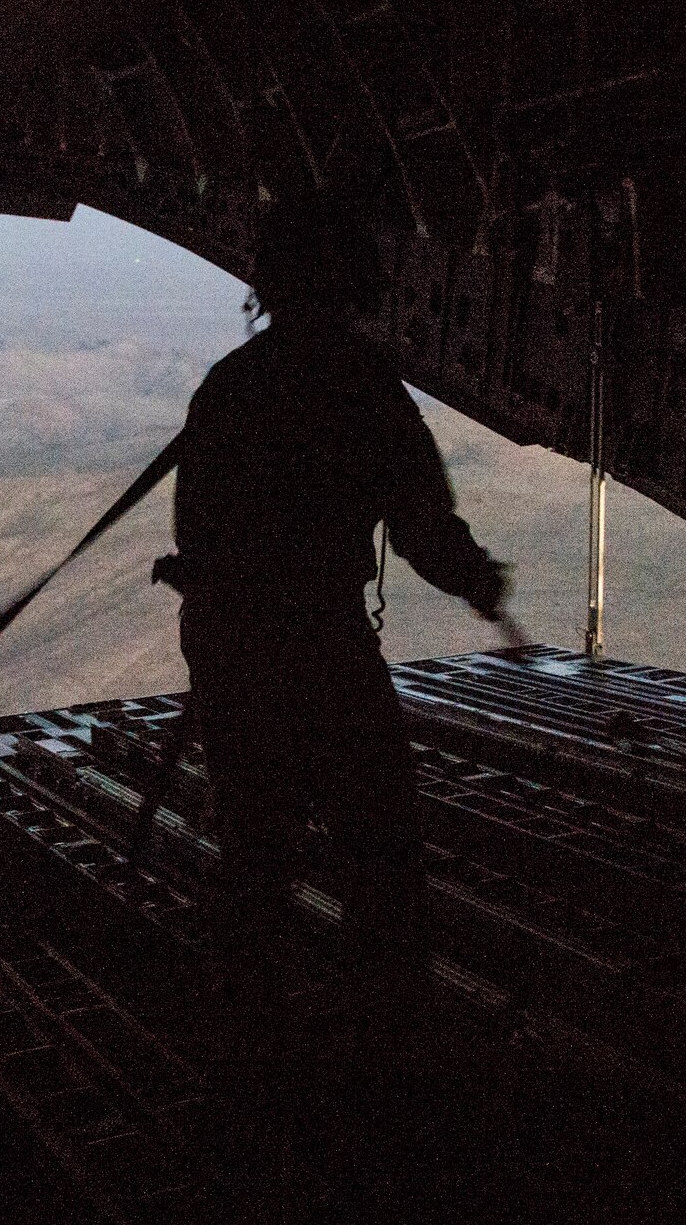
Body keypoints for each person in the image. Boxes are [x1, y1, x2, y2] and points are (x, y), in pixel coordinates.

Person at [153, 191, 523, 1021]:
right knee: (379, 851)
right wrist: (480, 584)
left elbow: (199, 534)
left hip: (236, 649)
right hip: (322, 648)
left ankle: (247, 1030)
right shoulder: (366, 390)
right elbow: (425, 528)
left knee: (254, 850)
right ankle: (390, 1037)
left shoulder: (230, 387)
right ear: (356, 284)